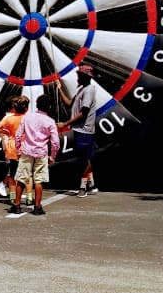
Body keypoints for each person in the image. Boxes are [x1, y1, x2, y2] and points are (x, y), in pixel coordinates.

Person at [11, 94, 60, 215]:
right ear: (49, 107)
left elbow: (18, 135)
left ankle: (17, 205)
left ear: (37, 104)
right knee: (39, 180)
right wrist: (52, 157)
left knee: (21, 178)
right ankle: (37, 207)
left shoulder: (27, 117)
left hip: (26, 151)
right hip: (41, 153)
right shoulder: (50, 122)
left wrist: (18, 149)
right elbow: (55, 142)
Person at [56, 64, 98, 197]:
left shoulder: (89, 90)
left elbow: (83, 112)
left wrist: (65, 124)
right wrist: (59, 88)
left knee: (84, 160)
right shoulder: (82, 89)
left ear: (85, 77)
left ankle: (83, 187)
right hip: (79, 129)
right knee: (85, 158)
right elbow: (69, 103)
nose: (77, 77)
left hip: (84, 130)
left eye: (79, 75)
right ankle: (91, 185)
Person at [0, 95, 29, 203]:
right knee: (23, 173)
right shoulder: (25, 118)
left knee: (13, 173)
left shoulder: (10, 118)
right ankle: (26, 196)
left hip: (12, 147)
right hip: (21, 147)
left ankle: (13, 197)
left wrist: (6, 133)